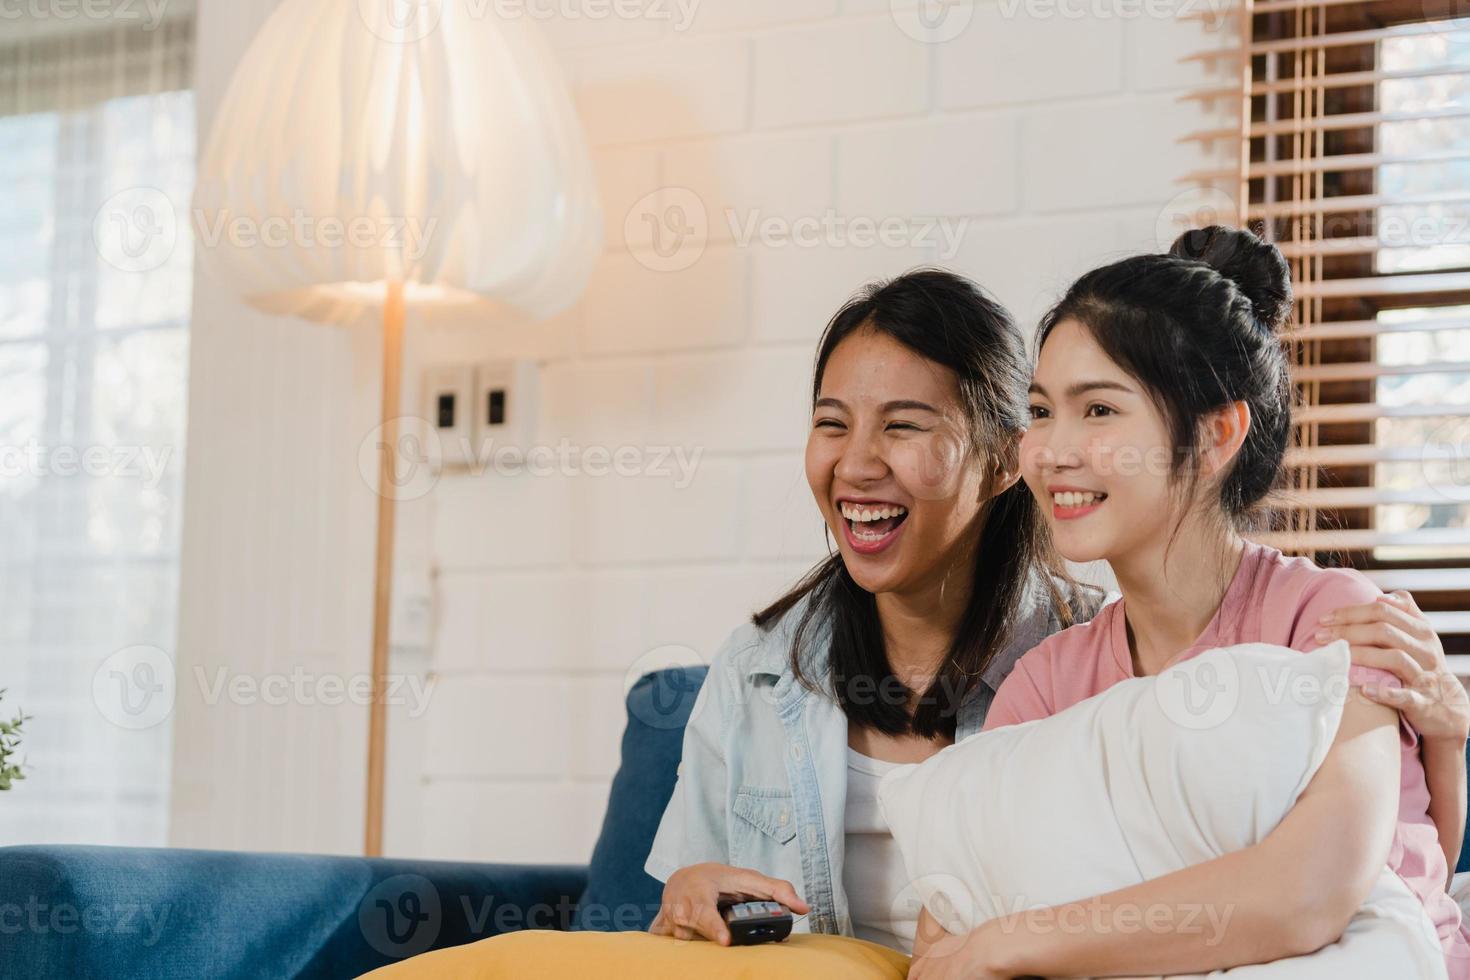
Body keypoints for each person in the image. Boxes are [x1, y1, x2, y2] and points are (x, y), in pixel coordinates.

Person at [907, 226, 1470, 979]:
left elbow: (1310, 893)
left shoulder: (1332, 621)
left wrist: (1015, 941)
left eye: (1099, 411)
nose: (1051, 450)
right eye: (1041, 411)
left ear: (1215, 435)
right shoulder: (1044, 687)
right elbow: (946, 931)